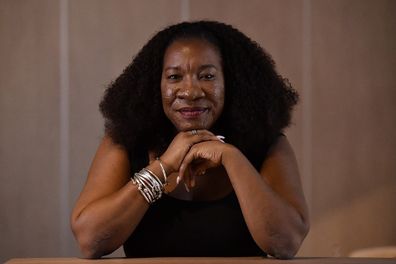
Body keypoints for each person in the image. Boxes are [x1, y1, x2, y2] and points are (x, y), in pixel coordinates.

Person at [70, 20, 309, 259]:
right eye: (174, 77)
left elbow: (285, 243)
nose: (191, 92)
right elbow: (90, 240)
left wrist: (231, 157)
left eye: (207, 76)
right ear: (156, 85)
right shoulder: (124, 143)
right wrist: (163, 167)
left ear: (231, 84)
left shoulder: (268, 146)